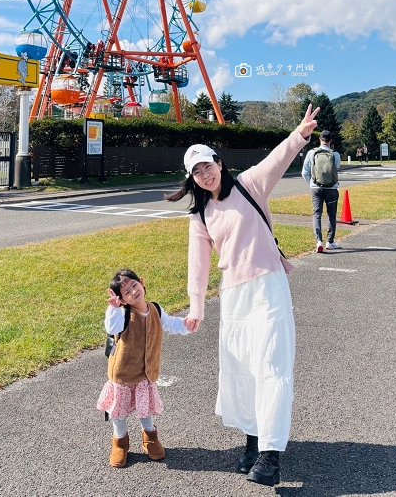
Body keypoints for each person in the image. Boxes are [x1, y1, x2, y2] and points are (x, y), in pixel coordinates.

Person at [167, 104, 319, 487]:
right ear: (192, 178)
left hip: (267, 287)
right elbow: (198, 266)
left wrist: (300, 134)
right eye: (196, 172)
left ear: (219, 162)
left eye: (208, 165)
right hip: (234, 296)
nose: (205, 175)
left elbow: (277, 159)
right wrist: (197, 307)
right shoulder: (200, 216)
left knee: (271, 367)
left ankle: (270, 456)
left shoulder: (250, 184)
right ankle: (252, 441)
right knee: (243, 370)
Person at [97, 268, 193, 468]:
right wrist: (113, 308)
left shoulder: (155, 309)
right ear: (123, 300)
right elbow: (111, 328)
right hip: (123, 375)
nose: (133, 291)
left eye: (134, 285)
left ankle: (150, 438)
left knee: (145, 410)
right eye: (127, 293)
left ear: (141, 282)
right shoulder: (122, 315)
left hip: (145, 374)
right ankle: (120, 442)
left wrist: (186, 324)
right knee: (119, 413)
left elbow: (169, 324)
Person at [302, 130, 342, 253]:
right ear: (331, 141)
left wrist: (312, 183)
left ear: (320, 139)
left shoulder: (311, 153)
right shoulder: (335, 155)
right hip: (331, 189)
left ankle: (318, 241)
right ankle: (330, 242)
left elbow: (305, 172)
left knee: (316, 214)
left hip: (316, 188)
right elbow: (337, 169)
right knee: (331, 214)